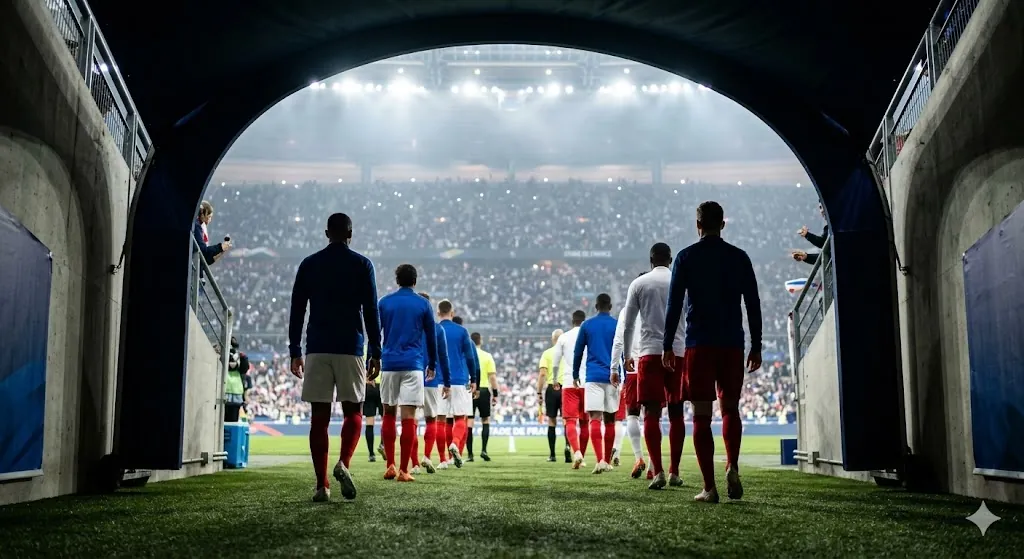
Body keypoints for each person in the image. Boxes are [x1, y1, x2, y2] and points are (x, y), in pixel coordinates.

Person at [663, 201, 762, 503]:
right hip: (732, 342)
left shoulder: (685, 257)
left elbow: (675, 304)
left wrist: (668, 344)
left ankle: (710, 487)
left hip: (699, 344)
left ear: (698, 225)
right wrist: (756, 344)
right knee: (731, 408)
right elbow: (753, 303)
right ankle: (732, 465)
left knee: (701, 416)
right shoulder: (739, 257)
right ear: (723, 224)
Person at [288, 212, 381, 502]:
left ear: (327, 233)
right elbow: (371, 309)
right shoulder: (363, 264)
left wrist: (295, 350)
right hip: (350, 346)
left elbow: (297, 308)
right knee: (354, 411)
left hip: (317, 345)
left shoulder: (309, 263)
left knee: (319, 417)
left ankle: (321, 485)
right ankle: (344, 464)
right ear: (351, 234)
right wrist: (376, 349)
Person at [622, 243, 687, 490]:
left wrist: (628, 354)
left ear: (650, 260)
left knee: (650, 412)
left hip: (649, 353)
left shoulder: (639, 284)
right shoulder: (682, 281)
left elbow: (629, 324)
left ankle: (657, 471)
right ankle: (675, 472)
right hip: (678, 352)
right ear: (670, 260)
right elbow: (689, 317)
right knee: (676, 411)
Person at [377, 264, 438, 482]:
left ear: (397, 280)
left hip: (389, 364)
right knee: (409, 417)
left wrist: (372, 359)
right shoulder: (423, 304)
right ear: (414, 281)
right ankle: (404, 470)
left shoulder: (384, 302)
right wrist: (432, 363)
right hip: (413, 365)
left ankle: (390, 466)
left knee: (388, 414)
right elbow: (431, 336)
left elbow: (376, 335)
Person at [572, 293, 619, 474]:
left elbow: (578, 351)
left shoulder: (587, 324)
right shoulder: (616, 325)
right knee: (610, 420)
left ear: (596, 306)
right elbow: (622, 349)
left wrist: (576, 373)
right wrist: (621, 374)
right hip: (612, 376)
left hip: (593, 376)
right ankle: (606, 461)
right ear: (611, 306)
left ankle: (599, 460)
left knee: (595, 418)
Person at [610, 276, 648, 479]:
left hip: (632, 368)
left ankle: (638, 457)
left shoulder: (627, 310)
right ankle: (654, 466)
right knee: (654, 415)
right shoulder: (661, 305)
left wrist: (613, 369)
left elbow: (618, 342)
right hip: (654, 363)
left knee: (632, 415)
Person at [437, 300, 479, 468]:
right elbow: (470, 358)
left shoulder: (434, 330)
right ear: (452, 313)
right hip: (459, 380)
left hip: (439, 381)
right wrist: (474, 379)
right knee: (460, 417)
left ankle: (443, 460)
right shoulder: (462, 331)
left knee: (441, 420)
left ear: (438, 313)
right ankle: (455, 443)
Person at [418, 292, 452, 473]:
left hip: (411, 375)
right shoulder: (438, 329)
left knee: (411, 421)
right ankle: (428, 457)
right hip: (431, 380)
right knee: (433, 420)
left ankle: (413, 464)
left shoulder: (410, 327)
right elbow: (444, 358)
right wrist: (447, 382)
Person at [552, 310, 590, 469]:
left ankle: (577, 452)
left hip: (569, 382)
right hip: (588, 382)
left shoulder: (564, 337)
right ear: (584, 321)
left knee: (570, 420)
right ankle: (582, 455)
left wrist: (554, 379)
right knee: (585, 422)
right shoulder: (589, 335)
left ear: (572, 321)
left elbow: (555, 361)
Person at [537, 329, 566, 462]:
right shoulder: (568, 353)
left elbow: (542, 374)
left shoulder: (547, 353)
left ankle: (553, 454)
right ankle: (568, 448)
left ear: (553, 339)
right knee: (567, 420)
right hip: (566, 388)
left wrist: (539, 392)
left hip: (552, 389)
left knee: (552, 421)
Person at [471, 333, 498, 462]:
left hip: (470, 390)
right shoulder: (487, 356)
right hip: (483, 390)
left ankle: (470, 454)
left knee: (469, 422)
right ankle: (484, 450)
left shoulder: (467, 355)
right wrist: (495, 394)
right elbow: (492, 377)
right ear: (480, 341)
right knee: (485, 420)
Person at [193, 200, 231, 264]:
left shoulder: (197, 226)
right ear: (203, 214)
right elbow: (204, 252)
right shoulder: (197, 226)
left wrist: (221, 251)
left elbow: (206, 260)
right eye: (209, 216)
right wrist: (220, 247)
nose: (210, 220)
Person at [224, 336, 250, 422]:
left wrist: (243, 358)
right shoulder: (222, 355)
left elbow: (244, 369)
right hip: (225, 391)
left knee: (232, 419)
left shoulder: (240, 357)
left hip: (235, 393)